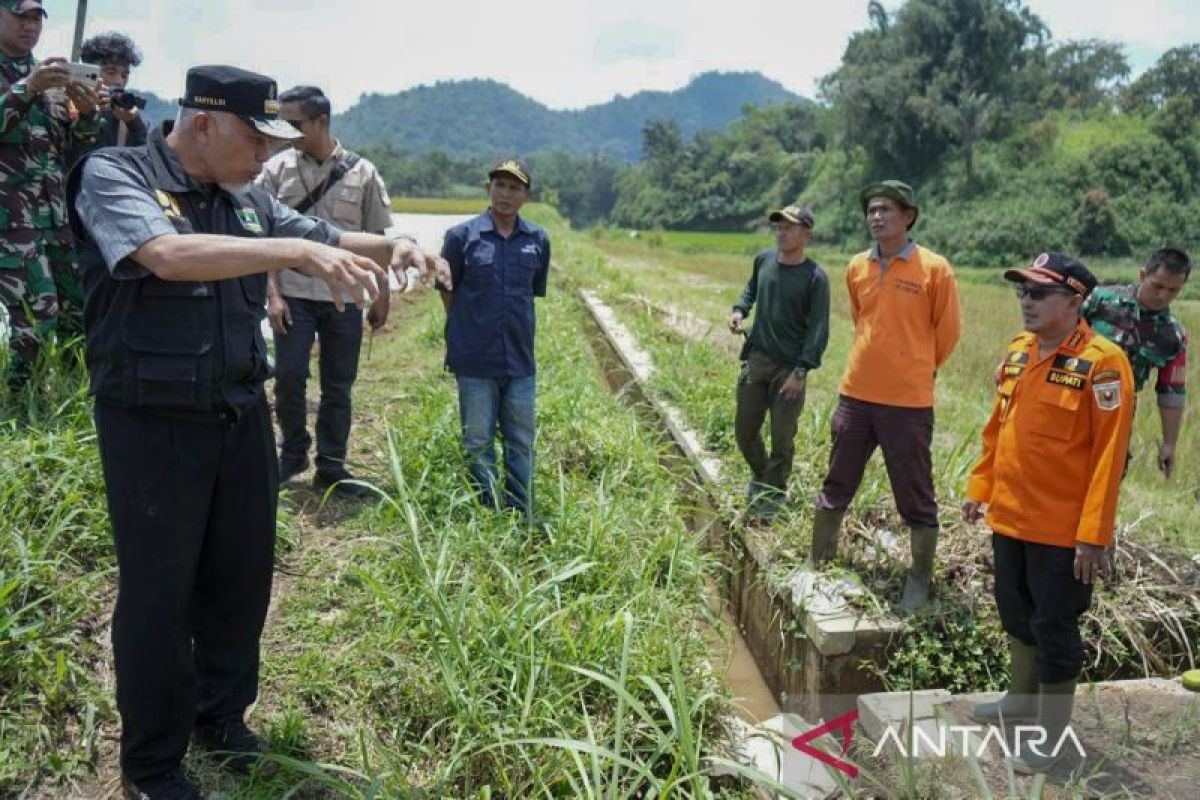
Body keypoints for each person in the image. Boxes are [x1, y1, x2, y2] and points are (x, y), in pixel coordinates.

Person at [67, 65, 447, 800]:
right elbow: (164, 255)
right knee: (158, 595)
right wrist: (292, 254)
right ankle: (151, 763)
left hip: (238, 413)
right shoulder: (117, 173)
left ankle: (221, 717)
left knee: (241, 578)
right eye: (255, 138)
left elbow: (327, 231)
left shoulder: (244, 197)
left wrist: (394, 246)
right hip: (153, 423)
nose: (265, 157)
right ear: (203, 124)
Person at [963, 252, 1134, 773]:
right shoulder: (1018, 352)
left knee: (1055, 626)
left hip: (1063, 533)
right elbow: (999, 428)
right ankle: (1019, 702)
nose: (1027, 302)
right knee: (1015, 612)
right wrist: (980, 484)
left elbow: (1110, 456)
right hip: (1010, 518)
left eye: (1039, 293)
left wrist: (1093, 536)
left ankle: (1051, 739)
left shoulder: (1104, 363)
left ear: (1074, 301)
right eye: (1022, 291)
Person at [809, 180, 961, 611]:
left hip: (908, 402)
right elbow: (861, 318)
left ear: (908, 216)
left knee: (915, 490)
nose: (876, 217)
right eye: (872, 210)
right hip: (856, 393)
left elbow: (946, 333)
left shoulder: (934, 269)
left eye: (887, 211)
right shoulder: (857, 266)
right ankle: (819, 559)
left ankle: (918, 578)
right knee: (838, 477)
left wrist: (915, 368)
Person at [257, 85, 395, 497]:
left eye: (294, 123)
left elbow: (379, 239)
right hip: (293, 293)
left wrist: (381, 294)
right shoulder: (276, 170)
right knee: (288, 376)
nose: (287, 131)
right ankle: (293, 450)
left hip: (346, 296)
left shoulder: (363, 172)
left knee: (338, 384)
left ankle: (331, 465)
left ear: (321, 121)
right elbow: (261, 239)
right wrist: (273, 296)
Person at [438, 157, 550, 521]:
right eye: (499, 186)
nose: (505, 194)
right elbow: (448, 292)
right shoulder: (461, 237)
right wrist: (468, 329)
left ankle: (521, 514)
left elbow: (530, 294)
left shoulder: (537, 241)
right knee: (478, 441)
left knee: (520, 441)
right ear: (488, 190)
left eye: (514, 188)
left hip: (519, 360)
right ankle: (487, 517)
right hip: (474, 358)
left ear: (526, 196)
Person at [0, 0, 102, 392]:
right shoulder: (36, 81)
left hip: (54, 219)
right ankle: (21, 407)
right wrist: (28, 89)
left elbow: (75, 150)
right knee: (35, 320)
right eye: (19, 17)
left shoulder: (54, 80)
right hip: (11, 223)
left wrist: (89, 113)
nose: (29, 27)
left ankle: (74, 395)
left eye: (35, 19)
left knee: (78, 311)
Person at [729, 204, 830, 521]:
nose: (781, 232)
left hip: (789, 370)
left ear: (806, 234)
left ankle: (772, 498)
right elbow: (751, 288)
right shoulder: (764, 260)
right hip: (757, 360)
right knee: (744, 430)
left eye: (789, 227)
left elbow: (818, 329)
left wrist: (801, 371)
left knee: (782, 438)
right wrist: (740, 309)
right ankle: (762, 476)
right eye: (779, 227)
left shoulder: (815, 278)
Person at [1081, 247, 1190, 477]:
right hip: (1072, 393)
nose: (1163, 295)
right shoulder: (1100, 299)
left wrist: (1169, 444)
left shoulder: (1173, 335)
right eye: (1157, 286)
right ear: (1143, 275)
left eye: (1173, 290)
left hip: (1118, 411)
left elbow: (1172, 392)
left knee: (1106, 477)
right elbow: (1055, 332)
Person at [80, 31, 148, 149]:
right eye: (111, 72)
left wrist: (133, 123)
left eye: (124, 75)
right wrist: (89, 114)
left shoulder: (126, 118)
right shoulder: (66, 108)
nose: (119, 82)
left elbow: (146, 157)